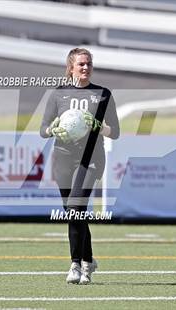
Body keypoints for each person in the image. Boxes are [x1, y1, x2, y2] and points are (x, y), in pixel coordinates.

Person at [40, 48, 120, 284]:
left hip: (91, 158)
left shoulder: (103, 94)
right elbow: (43, 129)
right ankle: (88, 260)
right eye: (81, 64)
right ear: (71, 67)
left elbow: (115, 131)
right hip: (63, 157)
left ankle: (75, 265)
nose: (86, 68)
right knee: (74, 212)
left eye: (89, 64)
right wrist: (51, 129)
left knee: (76, 205)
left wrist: (98, 126)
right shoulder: (58, 94)